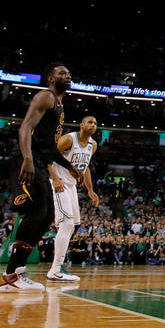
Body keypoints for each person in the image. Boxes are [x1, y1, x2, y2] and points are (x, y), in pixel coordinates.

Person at [0, 63, 82, 293]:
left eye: (68, 73)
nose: (67, 76)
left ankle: (16, 272)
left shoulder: (60, 105)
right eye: (61, 73)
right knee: (37, 211)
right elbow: (25, 128)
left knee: (46, 216)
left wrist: (71, 167)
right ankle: (12, 274)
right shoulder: (45, 97)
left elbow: (51, 148)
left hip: (38, 160)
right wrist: (26, 158)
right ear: (50, 78)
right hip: (27, 159)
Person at [46, 116, 100, 282]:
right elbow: (48, 156)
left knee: (74, 225)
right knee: (67, 223)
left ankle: (58, 266)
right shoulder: (68, 139)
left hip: (71, 186)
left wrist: (90, 190)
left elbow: (86, 167)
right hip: (59, 183)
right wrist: (54, 178)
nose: (93, 125)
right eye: (90, 122)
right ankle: (55, 270)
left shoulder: (93, 145)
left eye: (96, 124)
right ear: (81, 124)